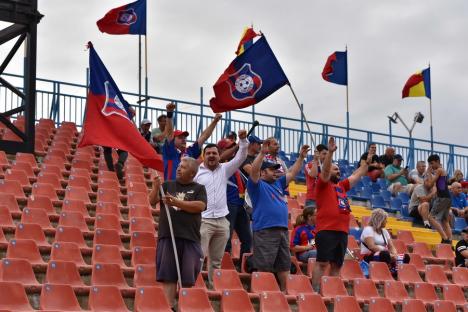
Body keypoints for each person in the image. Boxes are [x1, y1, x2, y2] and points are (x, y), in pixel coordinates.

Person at [311, 137, 371, 292]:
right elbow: (324, 172)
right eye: (335, 169)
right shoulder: (322, 184)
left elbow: (357, 175)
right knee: (322, 262)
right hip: (326, 230)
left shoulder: (341, 186)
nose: (339, 171)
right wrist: (330, 153)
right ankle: (315, 291)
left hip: (342, 232)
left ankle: (331, 291)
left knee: (337, 265)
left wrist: (367, 163)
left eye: (338, 169)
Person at [247, 142, 310, 291]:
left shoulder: (278, 184)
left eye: (276, 169)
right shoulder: (256, 185)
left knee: (284, 265)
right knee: (264, 266)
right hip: (265, 230)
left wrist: (301, 157)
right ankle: (263, 295)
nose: (276, 172)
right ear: (262, 173)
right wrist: (262, 154)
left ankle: (284, 294)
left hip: (281, 230)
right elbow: (254, 170)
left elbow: (292, 172)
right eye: (271, 170)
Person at [148, 157, 207, 309]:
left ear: (192, 173)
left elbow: (200, 206)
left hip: (190, 238)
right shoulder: (167, 185)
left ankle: (183, 307)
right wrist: (155, 187)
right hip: (168, 237)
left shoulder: (199, 188)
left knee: (187, 280)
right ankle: (168, 307)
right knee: (168, 277)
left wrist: (176, 202)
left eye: (184, 167)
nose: (179, 169)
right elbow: (152, 201)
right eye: (179, 166)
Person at [194, 130, 248, 283]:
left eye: (214, 153)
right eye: (209, 153)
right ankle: (194, 288)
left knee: (216, 260)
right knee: (198, 257)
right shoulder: (197, 172)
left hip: (222, 221)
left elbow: (241, 156)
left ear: (219, 156)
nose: (212, 155)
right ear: (204, 156)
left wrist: (243, 140)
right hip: (204, 220)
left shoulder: (224, 169)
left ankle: (212, 287)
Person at [162, 103, 222, 180]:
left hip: (187, 188)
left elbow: (204, 136)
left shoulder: (190, 151)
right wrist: (169, 113)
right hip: (171, 188)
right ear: (173, 140)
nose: (184, 139)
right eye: (180, 137)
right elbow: (169, 132)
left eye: (185, 137)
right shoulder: (169, 150)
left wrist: (215, 121)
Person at [216, 138, 252, 263]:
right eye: (228, 148)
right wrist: (237, 147)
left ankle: (244, 264)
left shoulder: (235, 167)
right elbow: (220, 158)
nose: (232, 150)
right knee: (226, 238)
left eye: (233, 147)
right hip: (228, 204)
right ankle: (223, 264)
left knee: (247, 239)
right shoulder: (217, 165)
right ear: (220, 150)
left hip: (241, 205)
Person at [427, 154, 453, 244]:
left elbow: (430, 184)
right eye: (429, 164)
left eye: (432, 163)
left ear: (437, 161)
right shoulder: (442, 171)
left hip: (442, 197)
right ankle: (449, 240)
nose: (431, 166)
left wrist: (429, 173)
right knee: (444, 221)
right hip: (447, 197)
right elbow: (434, 184)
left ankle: (445, 238)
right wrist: (430, 174)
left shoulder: (439, 170)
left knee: (431, 217)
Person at [304, 144, 328, 208]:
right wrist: (315, 160)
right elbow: (313, 174)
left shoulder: (327, 167)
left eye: (327, 154)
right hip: (312, 199)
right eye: (324, 154)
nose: (326, 156)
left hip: (324, 199)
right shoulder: (308, 165)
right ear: (317, 154)